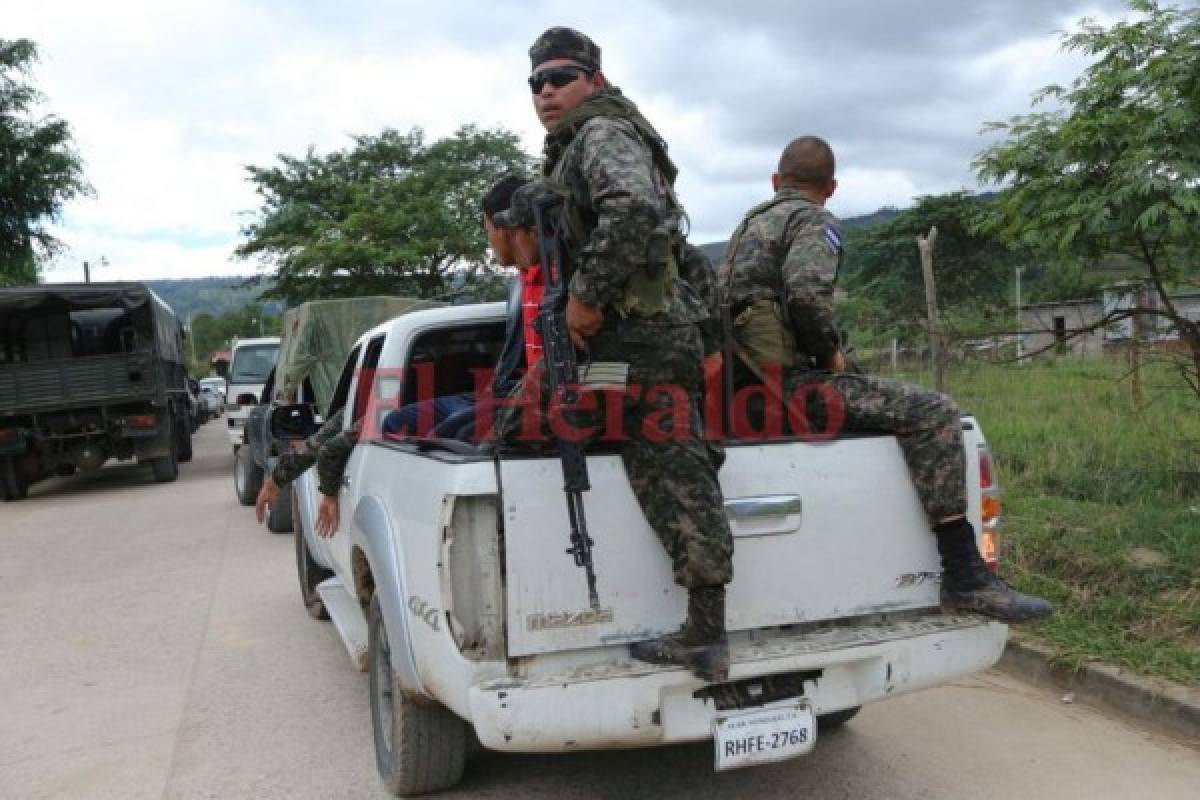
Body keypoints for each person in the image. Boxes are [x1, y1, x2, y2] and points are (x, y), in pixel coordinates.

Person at [718, 135, 1053, 623]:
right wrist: (831, 353)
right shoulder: (815, 220)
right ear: (831, 187)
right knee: (934, 411)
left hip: (740, 388)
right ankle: (964, 573)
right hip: (788, 386)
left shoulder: (748, 227)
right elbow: (807, 294)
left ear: (776, 181)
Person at [501, 27, 735, 681]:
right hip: (631, 339)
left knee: (671, 465)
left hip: (642, 338)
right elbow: (676, 245)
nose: (547, 91)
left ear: (593, 81)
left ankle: (706, 634)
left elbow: (633, 213)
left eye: (561, 77)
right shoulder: (581, 145)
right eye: (537, 83)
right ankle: (703, 626)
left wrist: (585, 297)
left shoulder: (602, 134)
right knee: (577, 427)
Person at [255, 407, 355, 537]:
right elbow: (320, 445)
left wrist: (329, 494)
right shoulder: (374, 409)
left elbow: (326, 450)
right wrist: (275, 481)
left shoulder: (371, 411)